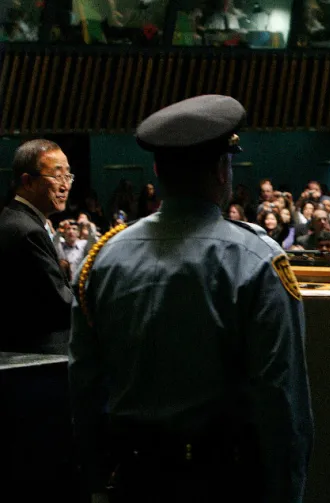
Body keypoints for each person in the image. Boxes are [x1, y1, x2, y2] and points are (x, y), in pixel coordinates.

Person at [69, 95, 313, 503]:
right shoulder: (255, 260)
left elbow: (84, 387)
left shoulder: (102, 258)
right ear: (222, 170)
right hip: (223, 481)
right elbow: (281, 402)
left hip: (134, 479)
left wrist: (95, 484)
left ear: (157, 170)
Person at [0, 139, 74, 354]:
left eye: (68, 176)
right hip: (35, 353)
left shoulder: (15, 218)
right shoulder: (27, 231)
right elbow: (60, 304)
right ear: (28, 182)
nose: (65, 185)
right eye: (57, 176)